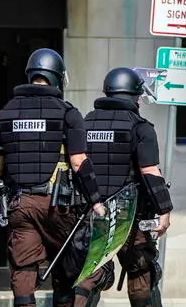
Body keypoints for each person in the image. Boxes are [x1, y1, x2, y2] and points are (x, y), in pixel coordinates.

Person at [0, 48, 105, 307]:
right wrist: (96, 201)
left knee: (23, 269)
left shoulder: (4, 114)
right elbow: (78, 161)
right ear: (56, 77)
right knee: (76, 264)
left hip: (19, 205)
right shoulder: (67, 113)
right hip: (57, 207)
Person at [75, 67, 173, 307]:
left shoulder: (83, 124)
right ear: (134, 96)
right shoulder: (141, 127)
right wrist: (165, 211)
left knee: (89, 272)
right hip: (130, 217)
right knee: (141, 272)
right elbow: (150, 173)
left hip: (91, 213)